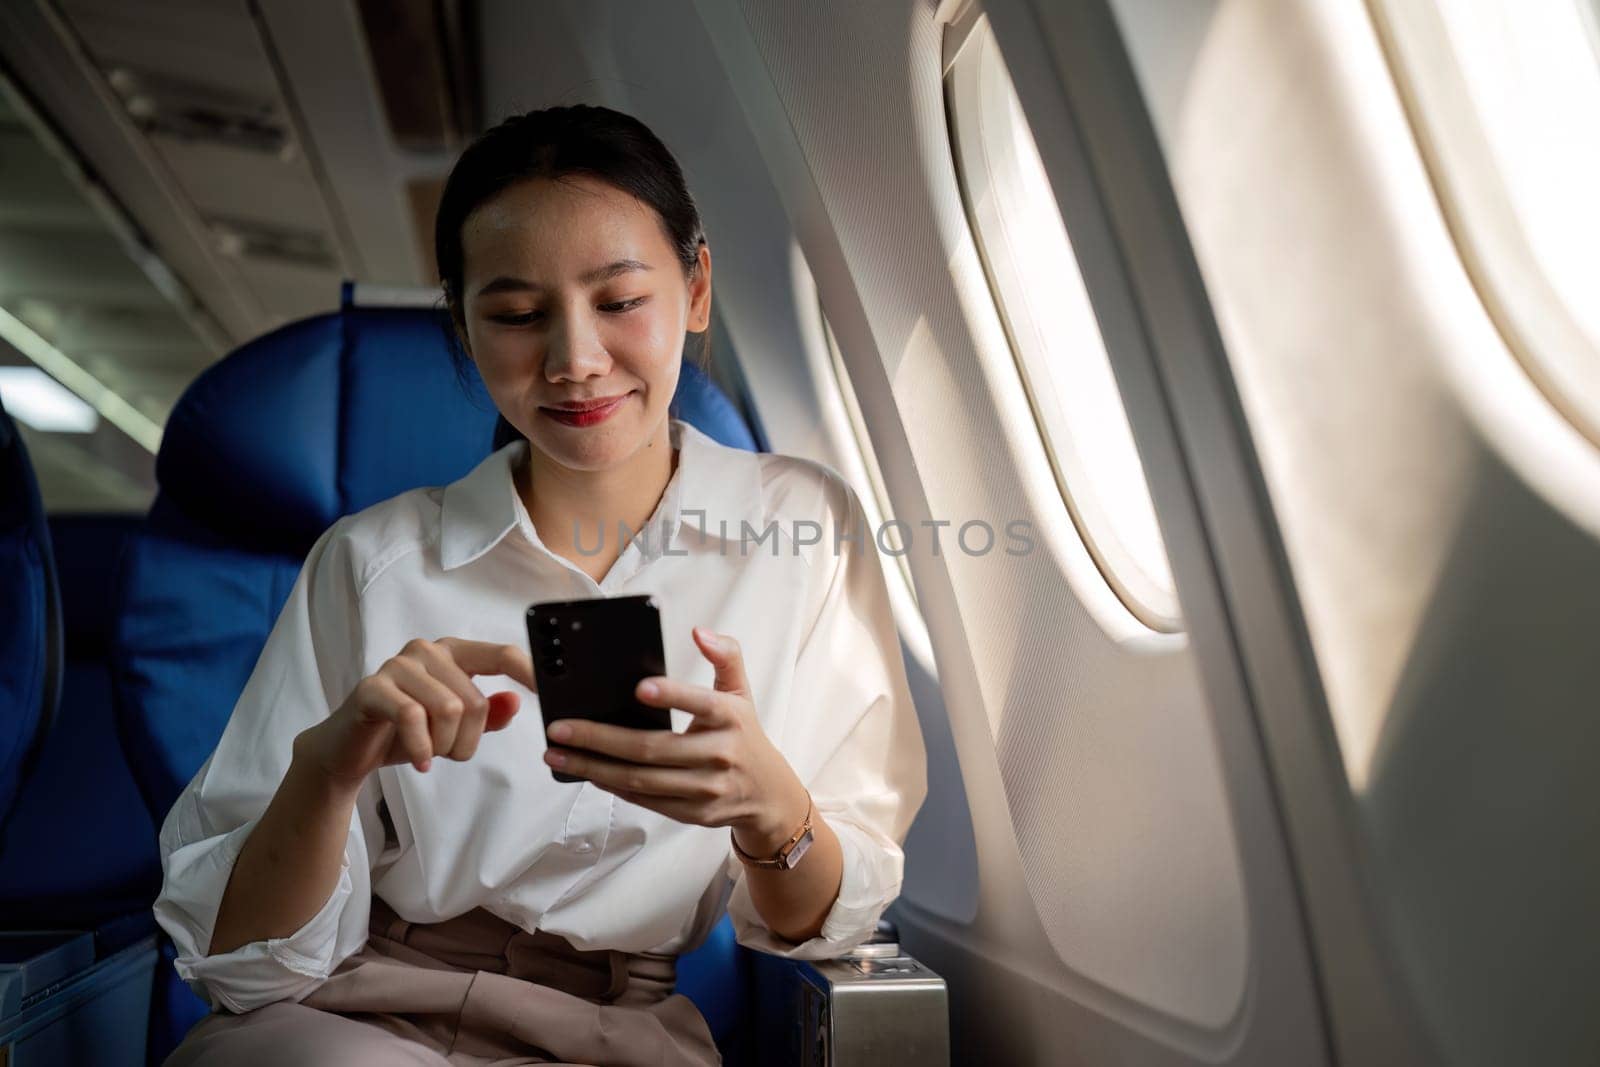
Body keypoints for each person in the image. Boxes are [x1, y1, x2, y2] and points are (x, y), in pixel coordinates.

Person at [154, 104, 928, 1066]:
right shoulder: (370, 563)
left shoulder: (803, 533)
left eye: (619, 301)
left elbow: (823, 926)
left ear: (696, 289)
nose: (574, 361)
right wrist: (330, 766)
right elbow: (241, 971)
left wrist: (775, 811)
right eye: (518, 316)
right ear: (466, 330)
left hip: (625, 1033)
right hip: (356, 1020)